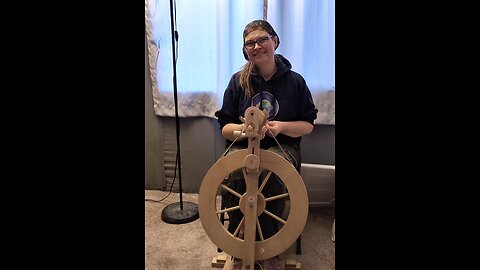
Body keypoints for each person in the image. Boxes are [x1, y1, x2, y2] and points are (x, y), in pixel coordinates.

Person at [214, 19, 318, 270]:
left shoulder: (295, 82)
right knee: (236, 175)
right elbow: (225, 128)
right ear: (245, 49)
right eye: (250, 43)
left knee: (268, 174)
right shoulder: (238, 80)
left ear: (275, 41)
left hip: (283, 147)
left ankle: (268, 249)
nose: (257, 46)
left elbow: (308, 125)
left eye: (262, 39)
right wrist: (245, 130)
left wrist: (281, 127)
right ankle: (239, 245)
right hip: (243, 145)